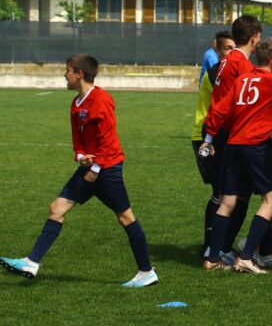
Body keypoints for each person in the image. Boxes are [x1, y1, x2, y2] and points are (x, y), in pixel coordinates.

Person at [0, 54, 157, 287]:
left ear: (79, 74)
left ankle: (146, 272)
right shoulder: (76, 104)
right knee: (57, 208)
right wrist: (81, 157)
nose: (65, 75)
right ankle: (32, 262)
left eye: (68, 70)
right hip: (90, 170)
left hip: (107, 169)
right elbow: (78, 140)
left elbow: (108, 139)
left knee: (126, 217)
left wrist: (95, 167)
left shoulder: (101, 100)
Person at [201, 39, 272, 274]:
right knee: (269, 200)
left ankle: (212, 258)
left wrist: (209, 138)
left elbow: (220, 108)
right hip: (255, 146)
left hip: (233, 144)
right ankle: (245, 256)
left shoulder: (242, 79)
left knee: (227, 201)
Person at [201, 15, 262, 265]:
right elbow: (233, 102)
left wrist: (209, 136)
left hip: (219, 131)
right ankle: (220, 249)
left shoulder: (226, 60)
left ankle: (214, 249)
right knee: (235, 196)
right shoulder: (242, 65)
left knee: (226, 194)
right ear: (254, 37)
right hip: (233, 133)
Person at [191, 31, 235, 258]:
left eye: (234, 47)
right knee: (220, 191)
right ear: (216, 51)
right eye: (227, 48)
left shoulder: (226, 71)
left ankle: (218, 244)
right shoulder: (215, 72)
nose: (231, 52)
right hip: (206, 135)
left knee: (227, 190)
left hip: (218, 135)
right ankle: (211, 244)